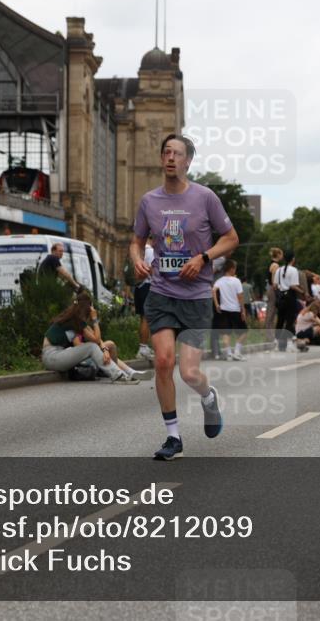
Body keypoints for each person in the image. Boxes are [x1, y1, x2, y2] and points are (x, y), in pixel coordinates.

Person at [130, 133, 239, 461]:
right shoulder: (149, 201)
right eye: (166, 152)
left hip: (196, 297)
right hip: (162, 292)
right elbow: (136, 239)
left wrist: (203, 258)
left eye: (177, 153)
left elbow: (231, 238)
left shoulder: (205, 198)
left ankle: (208, 397)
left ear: (188, 161)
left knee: (189, 372)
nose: (171, 158)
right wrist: (136, 257)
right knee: (163, 362)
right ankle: (173, 437)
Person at [41, 292, 144, 384]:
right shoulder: (74, 320)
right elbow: (96, 340)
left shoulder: (74, 319)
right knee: (91, 347)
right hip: (52, 356)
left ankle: (121, 373)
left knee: (94, 346)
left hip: (54, 356)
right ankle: (118, 375)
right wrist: (95, 319)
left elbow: (98, 340)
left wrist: (104, 350)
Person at [213, 259, 248, 361]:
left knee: (226, 333)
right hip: (235, 310)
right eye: (235, 268)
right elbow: (240, 296)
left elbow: (213, 291)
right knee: (244, 332)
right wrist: (243, 310)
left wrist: (216, 304)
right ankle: (237, 352)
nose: (235, 270)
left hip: (223, 310)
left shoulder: (219, 281)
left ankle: (228, 354)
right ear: (232, 269)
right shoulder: (236, 281)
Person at [273, 252, 304, 352]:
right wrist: (303, 292)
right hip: (290, 297)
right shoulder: (293, 270)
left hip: (280, 297)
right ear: (293, 259)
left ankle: (277, 344)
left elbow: (275, 285)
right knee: (290, 320)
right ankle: (289, 344)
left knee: (280, 321)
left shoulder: (278, 270)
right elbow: (293, 286)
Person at [134, 239, 156, 360]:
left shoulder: (138, 251)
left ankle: (144, 347)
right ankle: (142, 348)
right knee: (147, 318)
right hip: (148, 286)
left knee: (143, 318)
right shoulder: (150, 251)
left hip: (139, 287)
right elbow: (153, 270)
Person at [265, 248, 284, 332]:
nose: (282, 256)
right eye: (281, 254)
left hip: (270, 288)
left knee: (271, 309)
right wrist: (277, 289)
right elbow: (274, 279)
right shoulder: (275, 265)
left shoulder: (271, 264)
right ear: (278, 255)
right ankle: (269, 333)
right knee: (271, 310)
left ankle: (269, 332)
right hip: (273, 289)